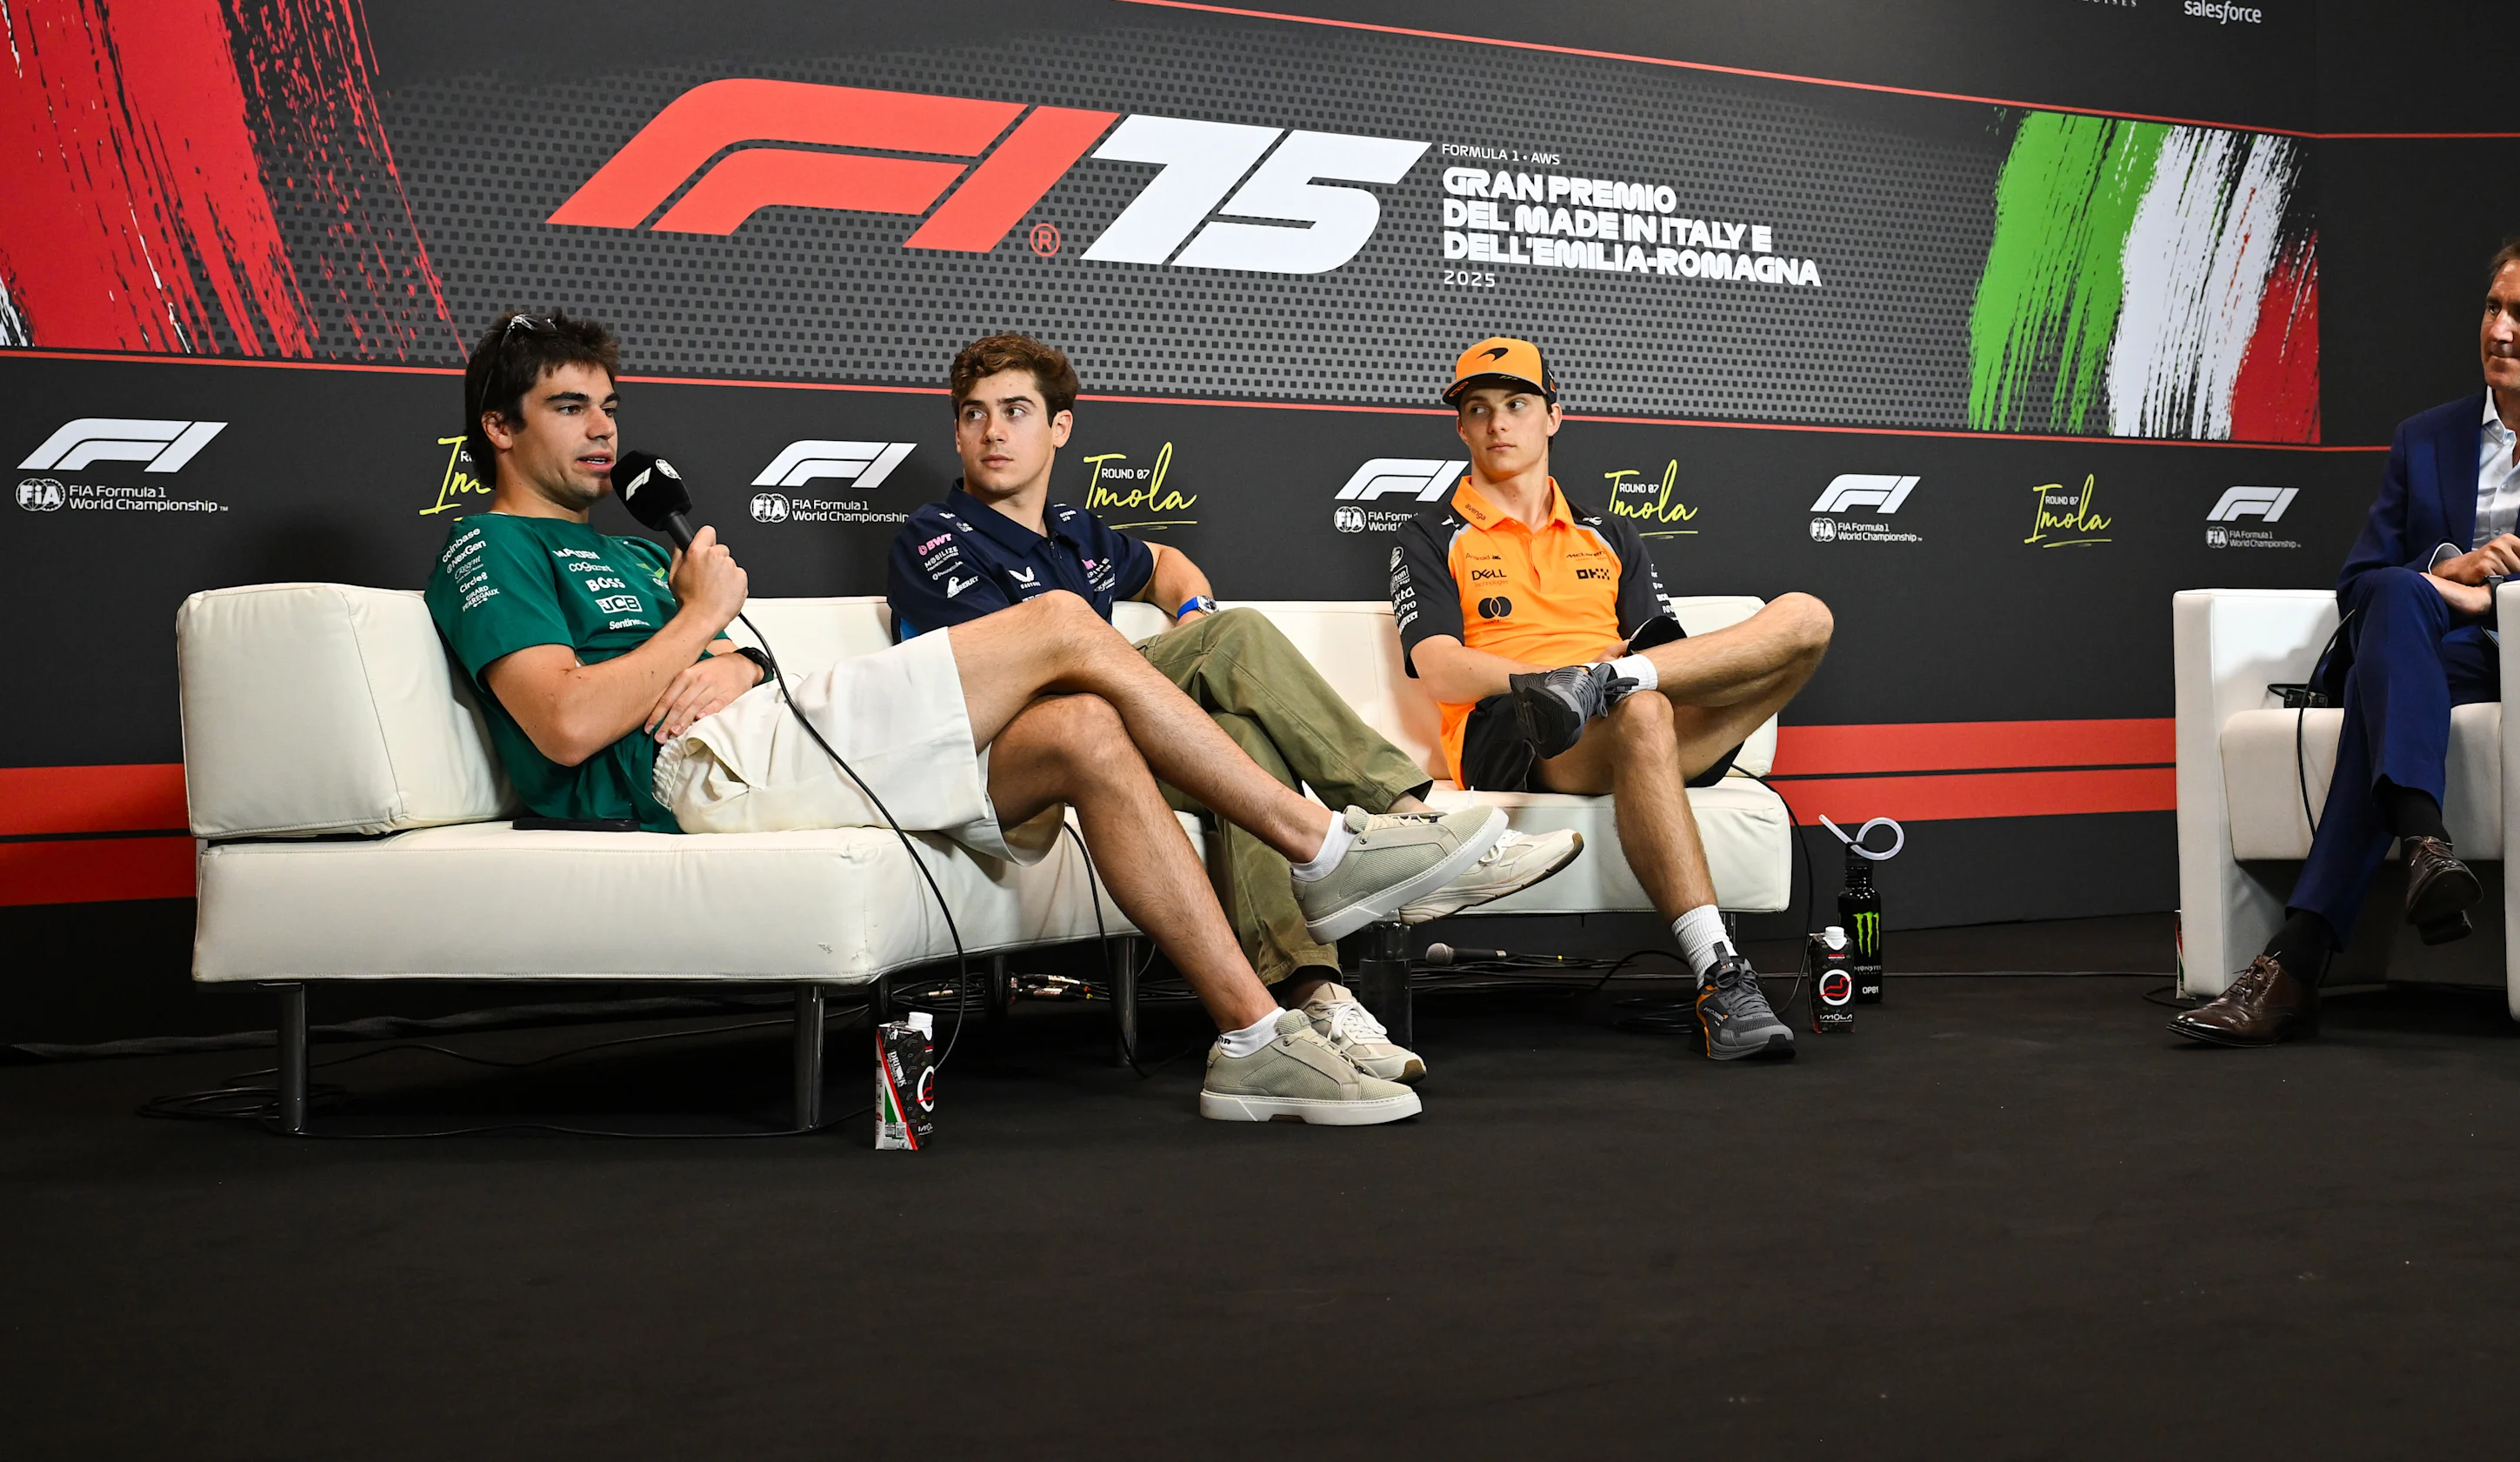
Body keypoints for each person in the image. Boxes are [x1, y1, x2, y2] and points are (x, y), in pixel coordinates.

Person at [423, 311, 1512, 1125]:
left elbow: (721, 668)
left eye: (610, 406)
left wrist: (729, 656)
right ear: (499, 427)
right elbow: (565, 726)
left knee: (1088, 730)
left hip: (758, 736)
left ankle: (1255, 1035)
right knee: (1062, 629)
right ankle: (1327, 847)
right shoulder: (488, 548)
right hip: (680, 783)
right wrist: (701, 621)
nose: (604, 430)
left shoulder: (626, 546)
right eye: (571, 407)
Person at [883, 333, 1585, 1084]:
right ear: (956, 430)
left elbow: (1165, 568)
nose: (993, 432)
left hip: (1107, 744)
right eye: (974, 414)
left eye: (1016, 411)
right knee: (1236, 639)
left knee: (1242, 736)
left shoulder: (1077, 534)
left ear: (1059, 428)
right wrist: (1207, 640)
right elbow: (1032, 679)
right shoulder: (935, 536)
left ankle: (1313, 996)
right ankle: (1420, 827)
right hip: (1014, 750)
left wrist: (1191, 611)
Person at [2172, 228, 2520, 1046]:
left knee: (2387, 675)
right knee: (2400, 596)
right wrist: (2452, 569)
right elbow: (2360, 580)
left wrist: (2505, 593)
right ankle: (2420, 847)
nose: (2499, 330)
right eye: (2491, 308)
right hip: (2421, 648)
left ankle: (2302, 958)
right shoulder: (2426, 436)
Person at [1390, 337, 1834, 1062]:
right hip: (1516, 728)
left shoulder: (1611, 532)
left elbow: (1668, 650)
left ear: (1554, 417)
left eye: (1517, 404)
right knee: (1647, 704)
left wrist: (1627, 677)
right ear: (1462, 429)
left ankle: (1616, 684)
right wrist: (1557, 677)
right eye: (1479, 410)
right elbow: (1440, 669)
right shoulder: (1431, 533)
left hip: (1629, 717)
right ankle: (1721, 975)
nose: (1499, 423)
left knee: (1807, 619)